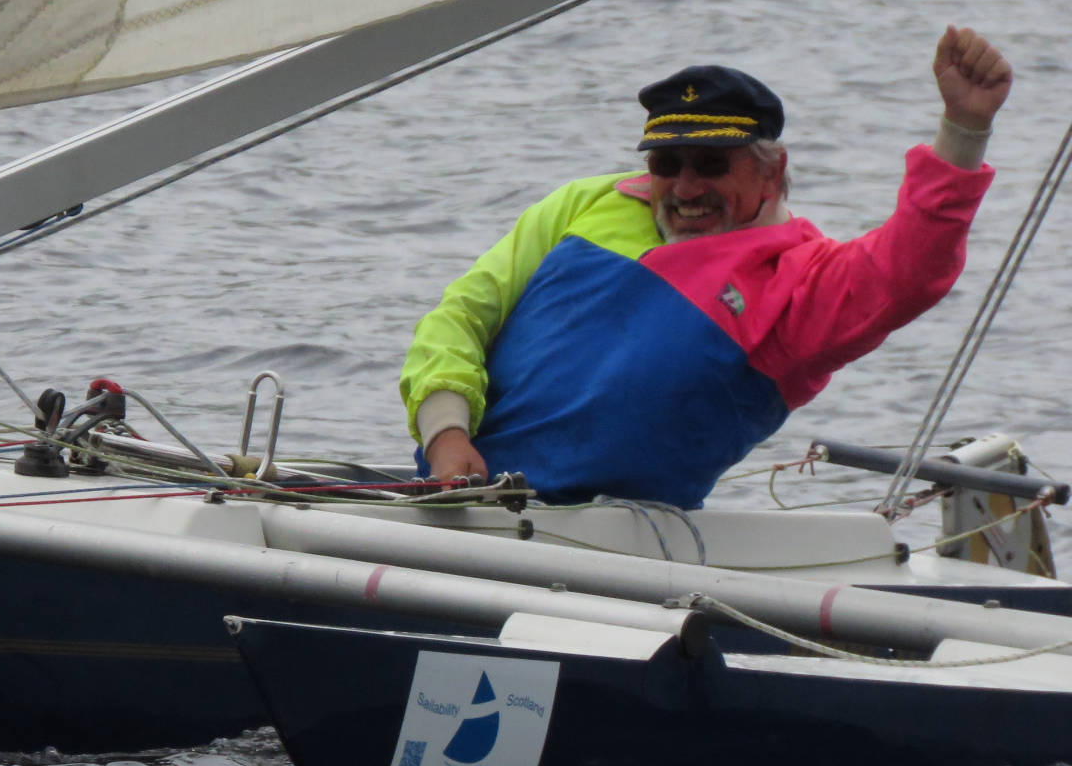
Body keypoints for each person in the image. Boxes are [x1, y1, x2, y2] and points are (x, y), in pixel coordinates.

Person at [399, 26, 1011, 509]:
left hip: (606, 546)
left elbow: (908, 272)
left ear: (771, 171)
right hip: (450, 499)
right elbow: (459, 319)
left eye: (711, 165)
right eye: (667, 162)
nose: (685, 187)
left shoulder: (799, 280)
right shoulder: (588, 203)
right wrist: (447, 435)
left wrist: (963, 131)